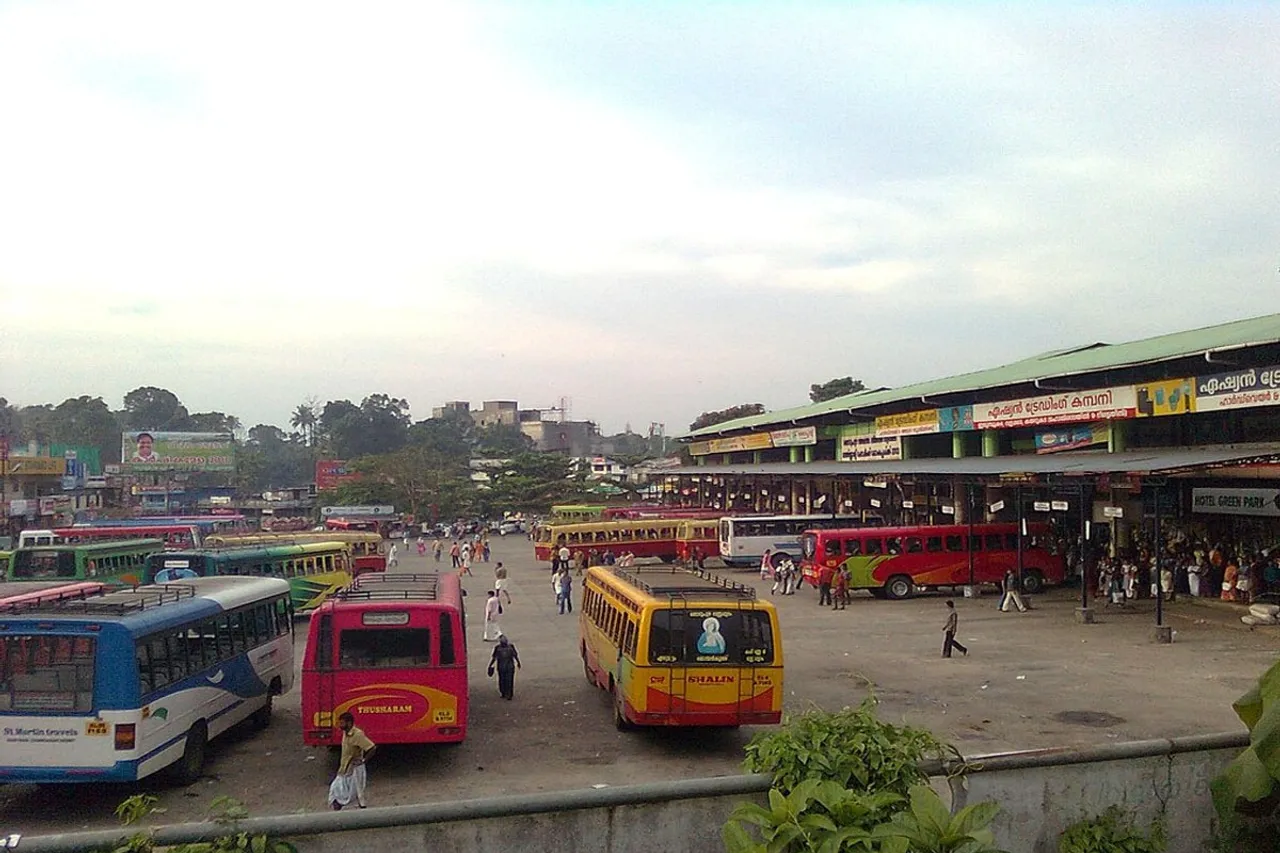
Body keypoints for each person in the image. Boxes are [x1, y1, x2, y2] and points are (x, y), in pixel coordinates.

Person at [329, 712, 376, 810]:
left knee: (357, 792)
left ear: (349, 723)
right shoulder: (345, 733)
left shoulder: (357, 735)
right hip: (344, 769)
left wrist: (363, 760)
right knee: (336, 790)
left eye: (342, 723)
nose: (340, 726)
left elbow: (372, 748)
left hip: (355, 769)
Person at [488, 635, 521, 700]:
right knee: (502, 681)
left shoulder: (510, 647)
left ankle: (509, 694)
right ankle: (504, 693)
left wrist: (518, 662)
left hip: (508, 667)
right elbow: (494, 657)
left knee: (509, 681)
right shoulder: (498, 648)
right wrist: (490, 665)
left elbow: (515, 655)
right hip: (503, 667)